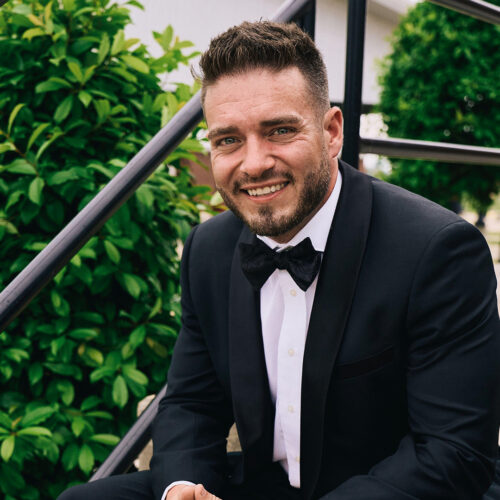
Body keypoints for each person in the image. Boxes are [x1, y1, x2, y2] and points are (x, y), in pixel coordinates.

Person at [59, 21, 500, 500]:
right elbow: (192, 403)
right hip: (263, 484)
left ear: (332, 132)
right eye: (228, 140)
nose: (253, 164)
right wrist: (183, 489)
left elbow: (452, 453)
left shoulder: (437, 250)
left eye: (280, 131)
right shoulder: (208, 249)